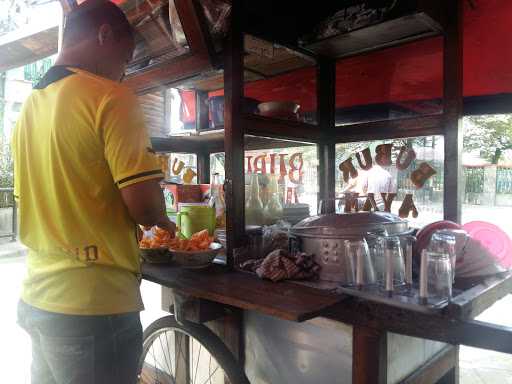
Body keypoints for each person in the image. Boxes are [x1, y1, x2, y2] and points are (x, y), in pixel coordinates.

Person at [12, 1, 176, 383]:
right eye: (125, 58)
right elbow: (145, 208)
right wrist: (166, 223)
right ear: (105, 35)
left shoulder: (28, 111)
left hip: (39, 300)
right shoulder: (110, 97)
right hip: (94, 309)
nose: (123, 71)